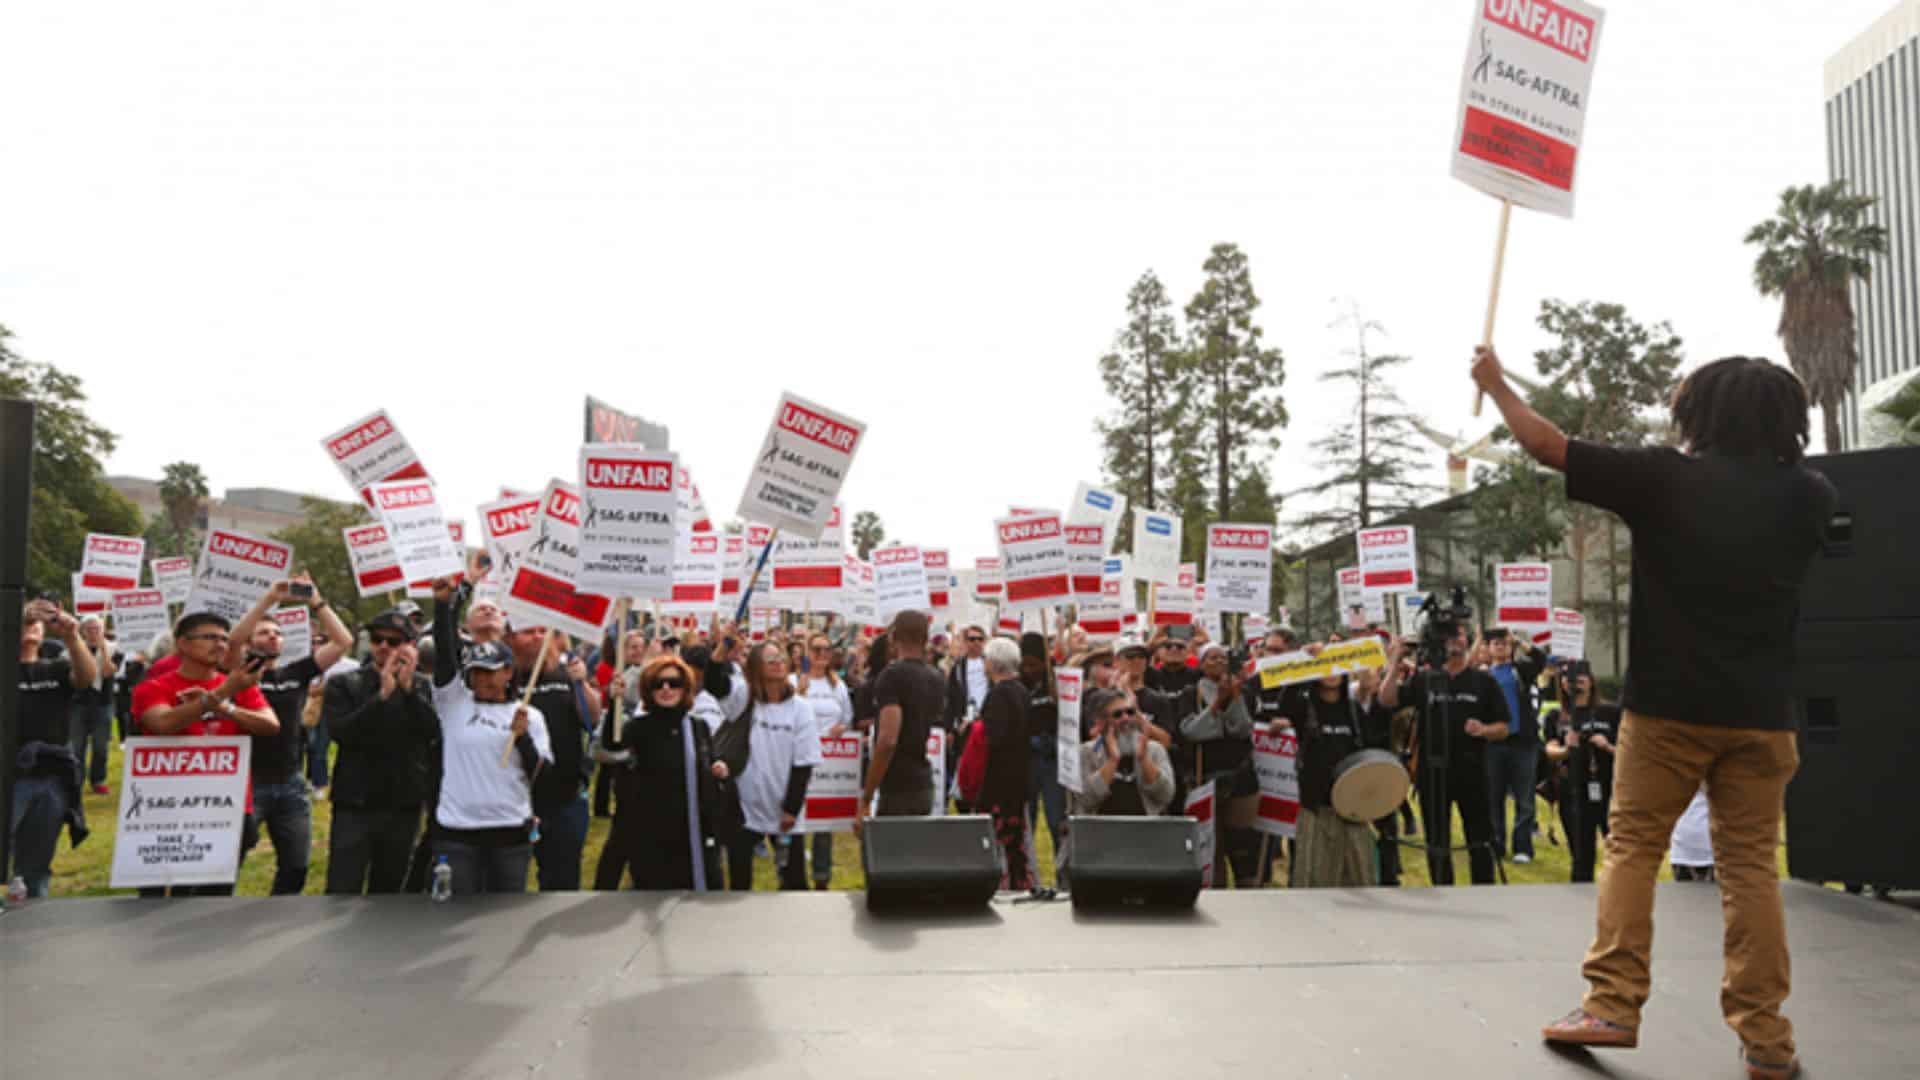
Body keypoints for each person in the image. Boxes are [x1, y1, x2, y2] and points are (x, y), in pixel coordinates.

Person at [1476, 349, 1834, 1078]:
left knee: (1634, 847)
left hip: (1668, 707)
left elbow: (1547, 444)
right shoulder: (1812, 494)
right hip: (1763, 713)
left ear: (1697, 415)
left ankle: (1611, 1004)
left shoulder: (1665, 479)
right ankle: (1767, 1040)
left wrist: (1495, 386)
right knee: (1751, 870)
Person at [132, 610, 278, 897]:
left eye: (225, 639)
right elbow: (162, 723)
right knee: (154, 900)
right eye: (210, 637)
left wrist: (225, 707)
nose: (221, 645)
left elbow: (271, 726)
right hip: (165, 809)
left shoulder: (240, 686)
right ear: (182, 644)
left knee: (214, 896)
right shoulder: (154, 687)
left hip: (226, 807)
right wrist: (223, 693)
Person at [225, 577, 354, 895]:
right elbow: (234, 640)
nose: (273, 637)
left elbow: (342, 642)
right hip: (247, 782)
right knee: (229, 859)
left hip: (290, 782)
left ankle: (279, 916)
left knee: (296, 866)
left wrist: (316, 601)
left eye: (278, 633)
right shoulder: (236, 673)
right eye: (265, 632)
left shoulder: (295, 673)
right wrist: (269, 600)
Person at [1378, 624, 1511, 886]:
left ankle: (1484, 893)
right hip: (1432, 772)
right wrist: (1394, 661)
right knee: (1437, 841)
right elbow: (1387, 700)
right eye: (1448, 635)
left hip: (1472, 772)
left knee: (1480, 839)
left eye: (1459, 634)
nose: (1454, 640)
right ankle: (1442, 889)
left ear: (1467, 640)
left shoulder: (1483, 681)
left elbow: (1503, 728)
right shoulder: (1425, 679)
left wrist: (1484, 729)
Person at [323, 609, 438, 895]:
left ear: (411, 646)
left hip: (403, 804)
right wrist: (381, 697)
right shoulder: (345, 683)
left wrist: (409, 692)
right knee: (342, 887)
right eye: (377, 639)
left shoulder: (424, 687)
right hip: (356, 803)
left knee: (388, 892)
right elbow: (341, 732)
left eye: (394, 640)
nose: (385, 646)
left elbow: (432, 732)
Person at [427, 632, 551, 895]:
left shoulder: (530, 715)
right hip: (458, 830)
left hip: (509, 831)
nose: (480, 678)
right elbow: (444, 659)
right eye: (475, 672)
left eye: (488, 671)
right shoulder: (454, 705)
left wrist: (523, 738)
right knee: (456, 910)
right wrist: (444, 604)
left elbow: (542, 774)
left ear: (508, 672)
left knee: (504, 915)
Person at [594, 654, 724, 890]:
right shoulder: (638, 727)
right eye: (658, 684)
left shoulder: (697, 727)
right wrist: (614, 702)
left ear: (685, 689)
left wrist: (718, 768)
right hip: (651, 830)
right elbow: (612, 746)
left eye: (674, 683)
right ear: (648, 690)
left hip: (691, 828)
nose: (666, 689)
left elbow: (709, 761)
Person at [10, 600, 99, 897]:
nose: (32, 624)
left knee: (36, 860)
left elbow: (87, 677)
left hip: (50, 778)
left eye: (36, 622)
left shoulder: (55, 669)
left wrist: (72, 636)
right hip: (10, 777)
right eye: (24, 621)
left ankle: (33, 909)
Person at [505, 619, 600, 892]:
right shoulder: (500, 677)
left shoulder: (564, 675)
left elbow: (591, 718)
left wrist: (581, 684)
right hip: (514, 798)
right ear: (510, 638)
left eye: (542, 631)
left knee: (562, 883)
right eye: (528, 631)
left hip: (564, 797)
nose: (537, 637)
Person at [1272, 660, 1378, 888]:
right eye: (1325, 668)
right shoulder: (1305, 708)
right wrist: (1304, 663)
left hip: (1352, 807)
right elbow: (1285, 705)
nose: (1331, 674)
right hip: (1316, 807)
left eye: (1337, 668)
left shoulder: (1353, 710)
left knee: (1359, 878)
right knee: (1314, 879)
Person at [1056, 687, 1175, 888]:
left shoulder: (1154, 750)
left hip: (1145, 846)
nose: (1126, 719)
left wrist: (1143, 758)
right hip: (1096, 848)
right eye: (1118, 714)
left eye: (1130, 712)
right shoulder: (1084, 753)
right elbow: (1086, 798)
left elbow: (1166, 795)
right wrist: (1112, 760)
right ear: (1101, 722)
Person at [725, 641, 818, 891]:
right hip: (745, 808)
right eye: (770, 659)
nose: (778, 662)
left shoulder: (801, 708)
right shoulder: (744, 699)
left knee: (794, 881)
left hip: (784, 809)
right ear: (755, 668)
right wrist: (723, 645)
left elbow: (804, 763)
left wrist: (791, 808)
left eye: (780, 657)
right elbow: (715, 682)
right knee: (739, 882)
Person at [1182, 643, 1259, 887]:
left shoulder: (1244, 692)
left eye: (1223, 658)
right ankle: (1216, 891)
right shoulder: (1190, 693)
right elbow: (1192, 732)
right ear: (1202, 664)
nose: (1218, 662)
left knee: (1243, 842)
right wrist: (1216, 705)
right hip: (1206, 779)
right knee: (1211, 843)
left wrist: (1234, 698)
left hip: (1241, 779)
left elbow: (1243, 730)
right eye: (1211, 658)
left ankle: (1248, 889)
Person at [861, 611, 945, 820]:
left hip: (897, 784)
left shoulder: (892, 676)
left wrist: (867, 796)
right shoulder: (936, 677)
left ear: (893, 637)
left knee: (886, 851)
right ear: (926, 639)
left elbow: (888, 740)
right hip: (923, 779)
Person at [1543, 661, 1617, 884]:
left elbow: (1631, 750)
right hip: (1574, 789)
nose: (1575, 683)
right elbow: (1549, 748)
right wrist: (1567, 748)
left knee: (1617, 847)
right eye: (1568, 679)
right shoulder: (1558, 716)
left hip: (1608, 786)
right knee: (1581, 852)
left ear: (1591, 680)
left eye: (1580, 678)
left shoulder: (1611, 712)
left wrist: (1607, 746)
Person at [1482, 627, 1548, 865]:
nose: (1500, 646)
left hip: (1523, 743)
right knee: (1494, 797)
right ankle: (1496, 843)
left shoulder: (1520, 671)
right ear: (1488, 649)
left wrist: (1519, 641)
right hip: (1493, 743)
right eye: (1495, 643)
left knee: (1524, 797)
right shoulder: (1484, 675)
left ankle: (1523, 846)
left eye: (1504, 643)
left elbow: (1540, 659)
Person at [794, 633, 851, 890]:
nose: (822, 655)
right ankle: (792, 872)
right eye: (816, 649)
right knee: (795, 813)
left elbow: (847, 716)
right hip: (800, 757)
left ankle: (821, 874)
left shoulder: (837, 685)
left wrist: (842, 727)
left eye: (827, 650)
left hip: (829, 761)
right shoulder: (794, 681)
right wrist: (798, 692)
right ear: (806, 652)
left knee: (823, 818)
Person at [1018, 632, 1064, 884]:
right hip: (1028, 760)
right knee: (1029, 819)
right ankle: (1027, 877)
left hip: (1053, 761)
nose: (1029, 669)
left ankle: (1062, 876)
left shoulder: (1056, 679)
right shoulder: (1017, 684)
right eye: (1024, 664)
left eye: (1034, 664)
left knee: (1058, 821)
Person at [68, 615, 118, 795]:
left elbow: (107, 671)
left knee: (100, 747)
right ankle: (76, 782)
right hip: (78, 704)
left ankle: (98, 780)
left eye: (97, 628)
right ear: (82, 631)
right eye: (90, 629)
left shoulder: (114, 649)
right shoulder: (74, 649)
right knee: (77, 747)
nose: (94, 632)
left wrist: (103, 649)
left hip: (103, 704)